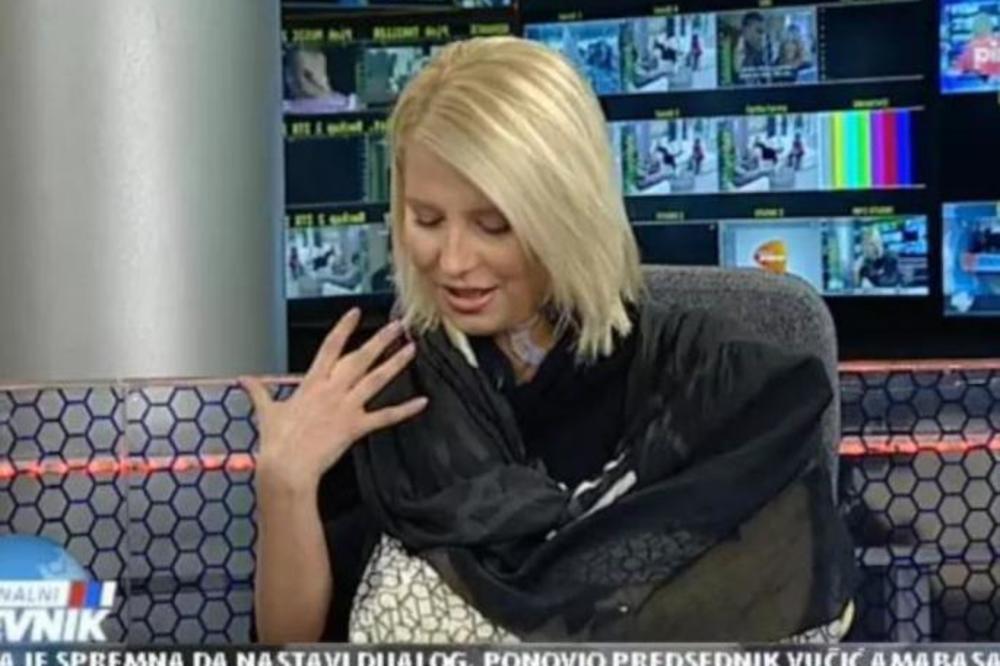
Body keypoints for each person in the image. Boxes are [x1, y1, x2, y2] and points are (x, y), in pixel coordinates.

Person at [244, 36, 856, 644]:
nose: (452, 261)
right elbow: (291, 647)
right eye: (426, 219)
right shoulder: (380, 387)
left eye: (493, 226)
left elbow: (783, 597)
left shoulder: (710, 384)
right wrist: (287, 485)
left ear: (565, 212)